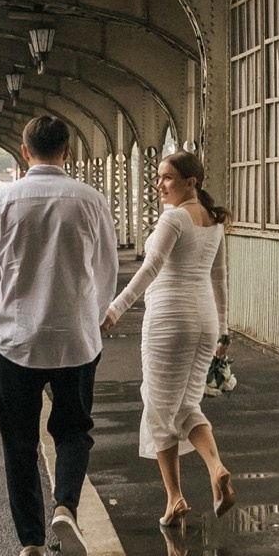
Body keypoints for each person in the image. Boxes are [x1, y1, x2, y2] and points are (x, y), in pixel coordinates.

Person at [0, 115, 117, 556]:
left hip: (15, 341)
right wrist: (91, 321)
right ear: (67, 151)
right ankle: (65, 506)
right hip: (75, 339)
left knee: (18, 442)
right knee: (73, 432)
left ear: (24, 150)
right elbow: (106, 270)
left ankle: (32, 545)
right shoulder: (91, 200)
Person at [102, 150, 235, 527]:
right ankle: (216, 466)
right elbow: (219, 280)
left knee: (159, 408)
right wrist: (223, 329)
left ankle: (175, 498)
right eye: (158, 176)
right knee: (186, 405)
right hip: (204, 321)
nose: (159, 184)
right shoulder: (213, 222)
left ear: (190, 182)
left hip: (169, 322)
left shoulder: (174, 218)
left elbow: (151, 268)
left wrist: (115, 308)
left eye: (167, 178)